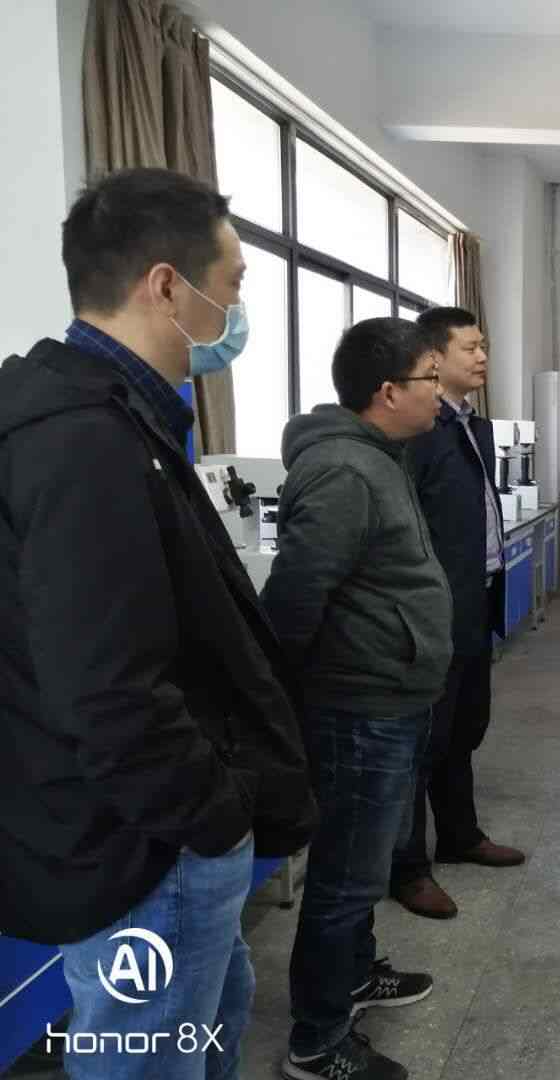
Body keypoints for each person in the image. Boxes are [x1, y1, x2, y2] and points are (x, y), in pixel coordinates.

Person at [0, 167, 316, 1080]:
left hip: (149, 834)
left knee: (209, 1031)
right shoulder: (82, 441)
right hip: (144, 851)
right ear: (167, 286)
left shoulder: (118, 420)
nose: (237, 309)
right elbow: (108, 688)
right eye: (234, 283)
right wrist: (211, 816)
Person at [262, 318, 453, 1080]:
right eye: (430, 378)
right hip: (359, 708)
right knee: (344, 875)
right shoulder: (345, 470)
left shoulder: (378, 458)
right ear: (388, 391)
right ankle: (317, 1040)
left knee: (363, 867)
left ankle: (352, 976)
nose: (440, 392)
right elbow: (295, 597)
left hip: (391, 698)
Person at [388, 307, 525, 922]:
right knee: (424, 741)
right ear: (434, 358)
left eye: (483, 344)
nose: (482, 356)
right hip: (433, 611)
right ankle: (407, 868)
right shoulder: (419, 429)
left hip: (475, 600)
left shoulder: (476, 426)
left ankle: (461, 835)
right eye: (470, 347)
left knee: (464, 730)